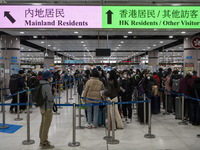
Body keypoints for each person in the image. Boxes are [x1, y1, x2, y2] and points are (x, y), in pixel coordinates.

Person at [39, 71, 55, 149]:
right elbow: (50, 98)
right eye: (50, 77)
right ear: (47, 78)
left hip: (41, 107)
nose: (50, 78)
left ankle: (42, 139)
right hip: (47, 107)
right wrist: (54, 93)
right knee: (46, 126)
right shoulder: (47, 85)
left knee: (42, 124)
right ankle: (44, 143)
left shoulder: (40, 83)